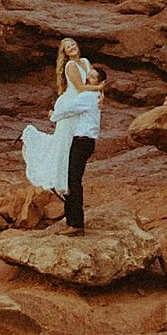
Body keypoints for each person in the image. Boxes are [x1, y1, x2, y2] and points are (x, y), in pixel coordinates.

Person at [20, 35, 104, 232]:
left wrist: (102, 92)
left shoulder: (84, 63)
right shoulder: (71, 68)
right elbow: (84, 87)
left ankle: (75, 222)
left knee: (72, 173)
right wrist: (99, 89)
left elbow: (98, 79)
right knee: (65, 157)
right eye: (68, 47)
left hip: (78, 111)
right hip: (73, 105)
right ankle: (73, 220)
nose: (72, 48)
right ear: (64, 53)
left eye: (73, 44)